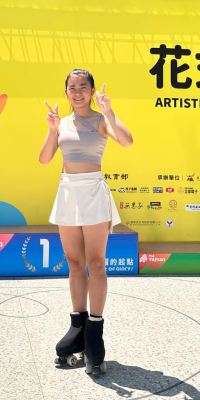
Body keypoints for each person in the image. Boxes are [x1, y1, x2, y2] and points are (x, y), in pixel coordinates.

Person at [39, 69, 133, 373]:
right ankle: (77, 328)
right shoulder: (61, 123)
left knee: (96, 263)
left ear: (92, 91)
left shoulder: (102, 119)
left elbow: (127, 141)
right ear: (66, 92)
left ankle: (94, 331)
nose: (77, 91)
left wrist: (109, 110)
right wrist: (52, 129)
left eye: (83, 86)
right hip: (68, 192)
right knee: (75, 264)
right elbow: (44, 159)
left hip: (93, 192)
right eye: (72, 87)